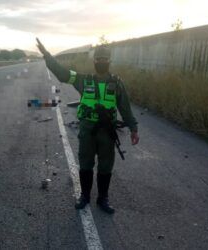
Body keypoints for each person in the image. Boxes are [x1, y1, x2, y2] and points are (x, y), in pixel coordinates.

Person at [36, 38, 139, 214]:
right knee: (85, 164)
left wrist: (133, 128)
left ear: (109, 61)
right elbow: (62, 73)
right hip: (87, 131)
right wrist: (47, 55)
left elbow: (125, 107)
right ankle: (84, 196)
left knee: (106, 166)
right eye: (98, 59)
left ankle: (103, 198)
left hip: (107, 132)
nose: (101, 62)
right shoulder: (83, 79)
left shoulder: (116, 83)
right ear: (94, 61)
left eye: (104, 59)